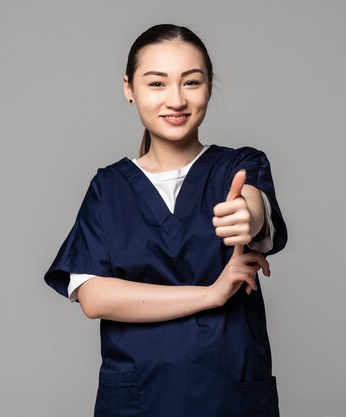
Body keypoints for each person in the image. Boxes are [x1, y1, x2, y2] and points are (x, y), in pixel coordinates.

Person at [44, 23, 288, 417]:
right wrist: (210, 294)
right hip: (139, 400)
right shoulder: (108, 188)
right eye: (157, 84)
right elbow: (94, 298)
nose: (176, 99)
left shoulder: (238, 166)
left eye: (191, 82)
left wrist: (248, 216)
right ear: (129, 88)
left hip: (228, 396)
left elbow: (253, 206)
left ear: (209, 86)